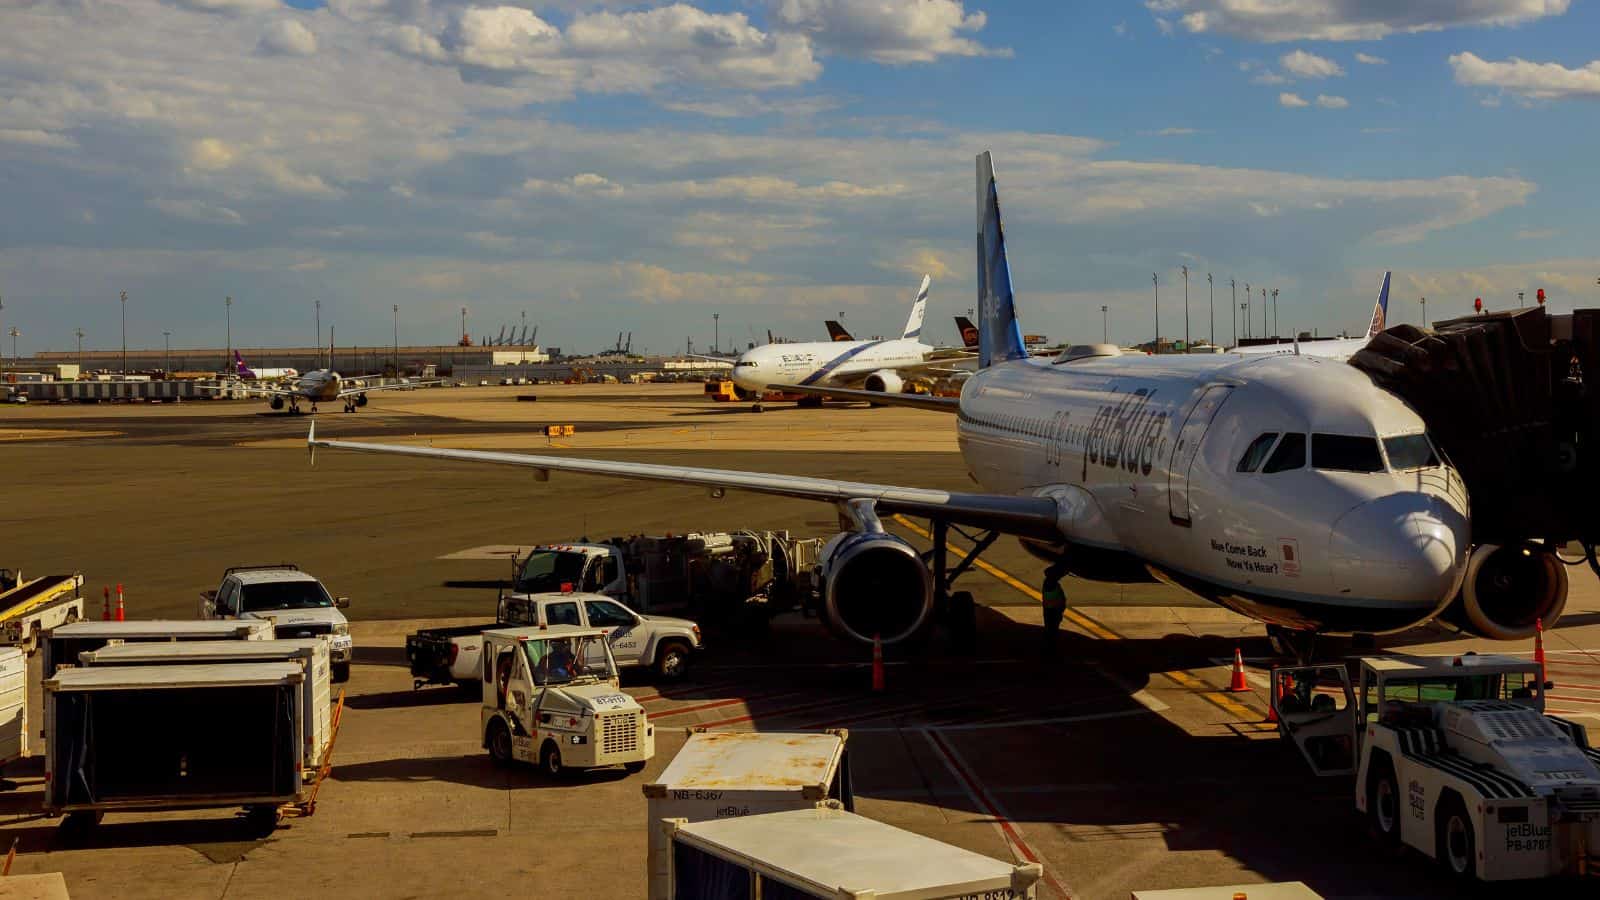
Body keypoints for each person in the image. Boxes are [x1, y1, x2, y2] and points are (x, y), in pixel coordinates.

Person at [1040, 564, 1067, 656]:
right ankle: (1050, 649)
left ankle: (1050, 648)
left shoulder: (1049, 583)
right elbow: (1058, 599)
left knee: (1050, 630)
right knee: (1052, 631)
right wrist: (1061, 608)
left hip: (1051, 610)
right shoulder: (1051, 584)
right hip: (1052, 611)